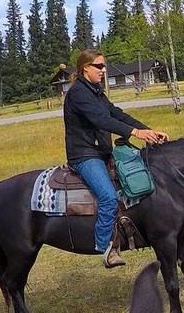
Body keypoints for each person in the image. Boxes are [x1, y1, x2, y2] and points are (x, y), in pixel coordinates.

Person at [64, 50, 168, 268]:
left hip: (102, 152)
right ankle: (106, 248)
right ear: (86, 69)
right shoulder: (78, 94)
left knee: (138, 177)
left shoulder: (96, 91)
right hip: (85, 155)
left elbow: (116, 114)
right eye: (99, 67)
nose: (104, 71)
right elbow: (101, 119)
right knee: (109, 197)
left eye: (104, 66)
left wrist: (147, 130)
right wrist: (134, 133)